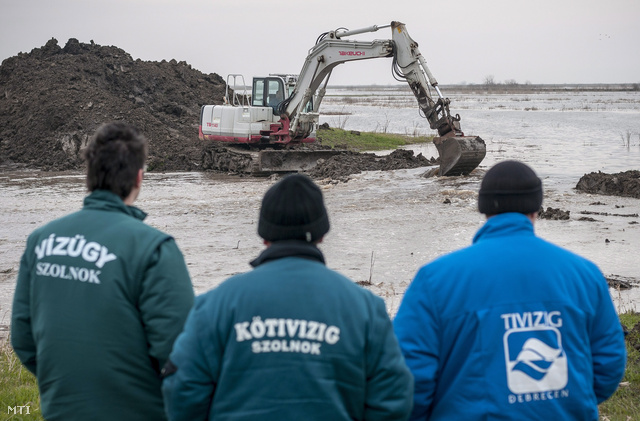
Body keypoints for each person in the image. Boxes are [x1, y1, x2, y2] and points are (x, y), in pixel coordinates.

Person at [162, 173, 413, 421]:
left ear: (263, 235)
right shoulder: (365, 308)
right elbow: (393, 399)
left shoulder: (216, 304)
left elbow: (183, 390)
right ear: (322, 233)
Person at [393, 160, 627, 420]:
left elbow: (407, 378)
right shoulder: (584, 275)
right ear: (536, 207)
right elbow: (609, 362)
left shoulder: (435, 280)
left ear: (483, 207)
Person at [11, 122, 195, 421]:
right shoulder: (154, 248)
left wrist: (67, 385)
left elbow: (22, 336)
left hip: (61, 410)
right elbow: (182, 353)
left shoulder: (41, 241)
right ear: (139, 177)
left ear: (89, 175)